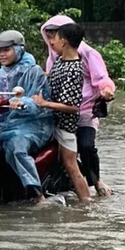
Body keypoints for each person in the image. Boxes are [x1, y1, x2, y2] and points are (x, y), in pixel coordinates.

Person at [40, 15, 116, 197]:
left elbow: (102, 78)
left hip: (83, 111)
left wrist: (106, 89)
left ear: (64, 38)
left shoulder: (86, 56)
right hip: (57, 112)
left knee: (86, 146)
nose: (51, 41)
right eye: (48, 36)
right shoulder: (55, 58)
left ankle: (95, 182)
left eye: (54, 36)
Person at [0, 30, 53, 203]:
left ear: (19, 49)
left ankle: (36, 193)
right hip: (7, 123)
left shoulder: (33, 71)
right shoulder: (1, 73)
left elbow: (40, 101)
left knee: (16, 146)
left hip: (34, 124)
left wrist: (22, 102)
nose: (2, 54)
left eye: (6, 50)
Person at [32, 24, 92, 202]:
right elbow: (52, 78)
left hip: (65, 125)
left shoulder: (74, 69)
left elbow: (73, 106)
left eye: (54, 39)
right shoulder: (60, 60)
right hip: (51, 120)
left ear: (64, 42)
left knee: (71, 165)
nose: (51, 42)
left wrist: (45, 103)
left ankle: (87, 205)